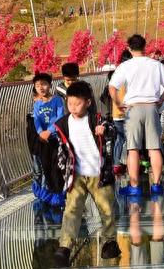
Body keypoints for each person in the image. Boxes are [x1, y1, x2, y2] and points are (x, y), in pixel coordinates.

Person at [53, 82, 120, 266]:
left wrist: (104, 130)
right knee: (72, 209)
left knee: (106, 209)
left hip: (99, 174)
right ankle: (65, 246)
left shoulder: (97, 119)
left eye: (77, 104)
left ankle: (109, 241)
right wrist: (63, 172)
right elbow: (62, 150)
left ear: (88, 102)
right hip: (76, 174)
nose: (73, 108)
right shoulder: (63, 124)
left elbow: (113, 131)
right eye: (70, 104)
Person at [108, 34, 164, 197]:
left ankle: (134, 186)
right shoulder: (155, 64)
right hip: (152, 107)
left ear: (129, 48)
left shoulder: (125, 66)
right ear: (145, 46)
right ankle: (157, 185)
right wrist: (161, 99)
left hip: (132, 108)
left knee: (133, 149)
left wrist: (118, 103)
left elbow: (112, 87)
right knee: (154, 147)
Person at [30, 73, 65, 202]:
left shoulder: (57, 100)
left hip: (55, 138)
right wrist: (40, 132)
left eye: (44, 84)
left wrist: (50, 131)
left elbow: (60, 117)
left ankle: (59, 193)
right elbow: (37, 120)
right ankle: (49, 192)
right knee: (46, 166)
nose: (41, 88)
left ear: (50, 85)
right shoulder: (37, 103)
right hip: (43, 140)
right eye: (38, 85)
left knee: (56, 166)